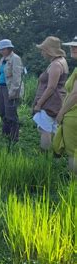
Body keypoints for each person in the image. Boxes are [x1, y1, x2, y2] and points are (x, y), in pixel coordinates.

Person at [32, 36, 68, 150]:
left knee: (44, 129)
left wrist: (39, 104)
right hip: (55, 101)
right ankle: (54, 153)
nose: (41, 52)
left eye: (43, 50)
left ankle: (44, 156)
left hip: (50, 103)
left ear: (49, 51)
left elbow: (51, 87)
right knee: (51, 128)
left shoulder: (56, 64)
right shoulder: (60, 61)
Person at [53, 36, 77, 174]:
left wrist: (61, 113)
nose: (73, 48)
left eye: (76, 46)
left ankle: (72, 187)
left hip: (73, 115)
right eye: (72, 46)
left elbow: (75, 94)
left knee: (73, 152)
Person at [0, 39, 24, 142]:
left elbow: (17, 78)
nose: (1, 51)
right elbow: (0, 73)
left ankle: (14, 137)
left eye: (3, 49)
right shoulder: (3, 59)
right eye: (0, 49)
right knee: (2, 111)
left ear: (9, 48)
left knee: (10, 113)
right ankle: (5, 133)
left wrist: (13, 92)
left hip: (10, 89)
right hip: (1, 87)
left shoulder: (15, 58)